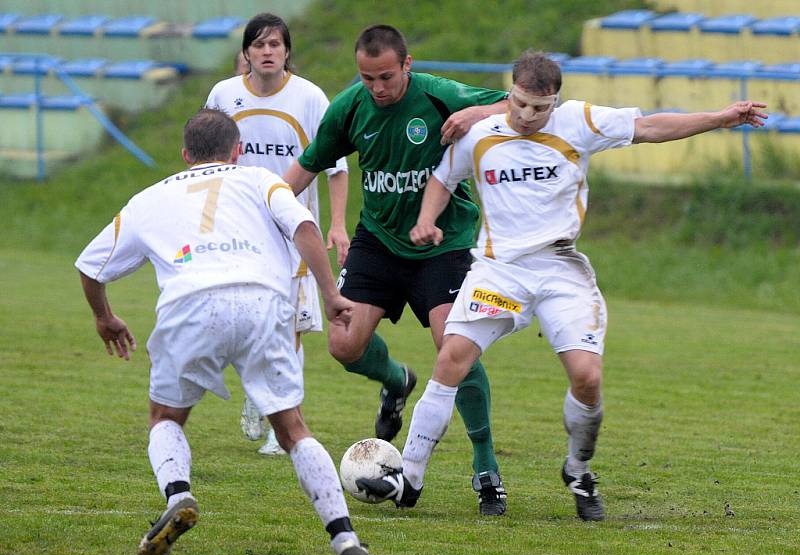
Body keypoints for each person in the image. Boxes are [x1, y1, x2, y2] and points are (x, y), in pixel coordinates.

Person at [357, 50, 768, 521]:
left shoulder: (579, 122)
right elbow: (442, 179)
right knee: (451, 357)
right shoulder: (480, 135)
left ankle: (578, 469)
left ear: (556, 101)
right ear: (509, 92)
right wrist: (427, 220)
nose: (528, 116)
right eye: (521, 104)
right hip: (500, 270)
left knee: (587, 378)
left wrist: (719, 118)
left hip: (559, 268)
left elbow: (653, 127)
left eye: (541, 108)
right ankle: (409, 477)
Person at [75, 108, 377, 555]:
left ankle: (178, 495)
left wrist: (105, 317)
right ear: (236, 150)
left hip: (190, 305)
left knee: (166, 417)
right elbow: (305, 229)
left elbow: (90, 267)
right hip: (264, 302)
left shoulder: (149, 198)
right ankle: (345, 539)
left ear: (184, 155)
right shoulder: (260, 179)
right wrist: (331, 293)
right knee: (293, 428)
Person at [281, 24, 511, 515]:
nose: (377, 88)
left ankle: (485, 464)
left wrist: (477, 112)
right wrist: (265, 209)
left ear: (406, 66)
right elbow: (307, 166)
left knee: (456, 347)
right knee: (343, 344)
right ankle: (395, 380)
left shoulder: (441, 95)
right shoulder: (349, 107)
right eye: (367, 78)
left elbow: (523, 105)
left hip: (443, 243)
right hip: (379, 242)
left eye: (385, 77)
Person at [207, 13, 350, 456]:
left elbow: (336, 166)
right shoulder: (223, 95)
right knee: (243, 318)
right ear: (246, 53)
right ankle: (256, 387)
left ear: (287, 51)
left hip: (292, 233)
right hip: (240, 229)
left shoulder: (310, 97)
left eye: (276, 44)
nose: (267, 51)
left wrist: (338, 224)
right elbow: (206, 157)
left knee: (291, 327)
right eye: (259, 44)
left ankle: (280, 426)